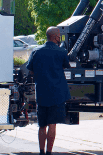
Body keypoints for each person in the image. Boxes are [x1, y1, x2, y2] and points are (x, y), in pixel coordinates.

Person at [26, 27, 71, 155]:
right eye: (59, 35)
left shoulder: (36, 51)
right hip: (57, 94)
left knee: (42, 125)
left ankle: (41, 151)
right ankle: (49, 152)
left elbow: (31, 70)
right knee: (52, 124)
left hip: (41, 93)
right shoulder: (61, 51)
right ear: (55, 37)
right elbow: (67, 66)